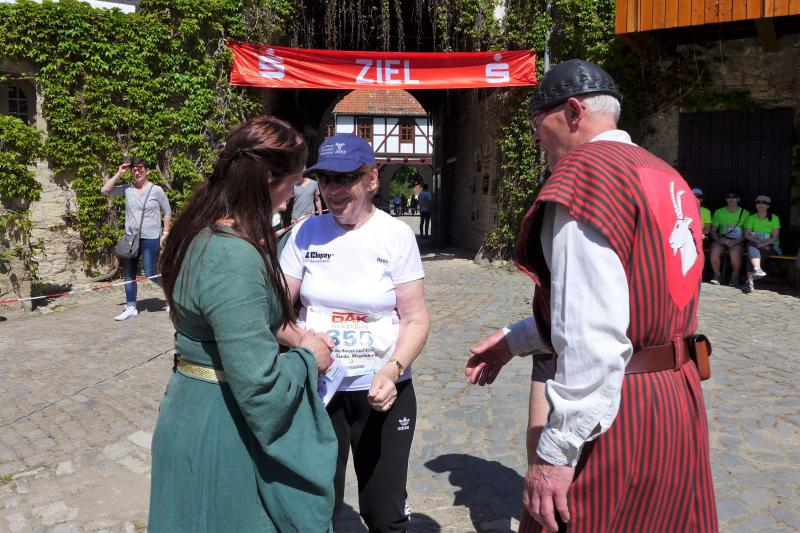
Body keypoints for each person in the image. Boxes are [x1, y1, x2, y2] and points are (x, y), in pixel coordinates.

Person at [464, 59, 717, 532]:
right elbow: (630, 304)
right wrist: (516, 339)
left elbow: (593, 334)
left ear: (574, 112)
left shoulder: (585, 178)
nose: (536, 138)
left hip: (617, 411)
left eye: (538, 123)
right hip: (676, 399)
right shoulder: (665, 174)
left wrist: (555, 454)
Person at [149, 116, 338, 532]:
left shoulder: (201, 230)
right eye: (292, 184)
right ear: (267, 178)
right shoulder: (233, 256)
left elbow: (236, 322)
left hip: (195, 409)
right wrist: (309, 357)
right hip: (222, 429)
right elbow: (260, 385)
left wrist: (291, 335)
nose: (292, 196)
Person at [279, 133, 430, 532]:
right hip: (319, 391)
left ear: (372, 179)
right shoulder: (305, 233)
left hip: (382, 393)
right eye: (326, 179)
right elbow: (274, 310)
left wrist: (393, 369)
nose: (333, 189)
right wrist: (302, 341)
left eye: (346, 178)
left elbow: (416, 319)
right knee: (316, 508)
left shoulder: (395, 235)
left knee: (384, 513)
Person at [101, 157, 171, 321]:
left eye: (140, 169)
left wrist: (165, 233)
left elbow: (167, 212)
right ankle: (131, 307)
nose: (137, 172)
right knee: (129, 274)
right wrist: (119, 173)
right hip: (131, 238)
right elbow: (105, 190)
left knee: (150, 272)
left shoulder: (156, 190)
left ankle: (171, 293)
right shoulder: (128, 189)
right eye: (134, 170)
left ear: (147, 171)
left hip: (151, 237)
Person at [742, 194, 781, 293]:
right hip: (757, 244)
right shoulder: (751, 218)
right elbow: (747, 234)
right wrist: (760, 243)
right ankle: (757, 270)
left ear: (768, 206)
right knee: (751, 248)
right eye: (758, 202)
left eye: (764, 203)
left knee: (750, 254)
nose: (761, 204)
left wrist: (764, 245)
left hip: (771, 246)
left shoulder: (774, 218)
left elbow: (775, 237)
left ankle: (750, 282)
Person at [709, 191, 749, 286]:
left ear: (738, 199)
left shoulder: (745, 213)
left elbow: (746, 233)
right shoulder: (719, 212)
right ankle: (717, 275)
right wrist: (719, 240)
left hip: (737, 241)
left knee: (734, 253)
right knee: (714, 252)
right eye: (728, 197)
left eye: (734, 196)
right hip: (722, 239)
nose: (731, 199)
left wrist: (735, 242)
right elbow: (713, 231)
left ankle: (735, 276)